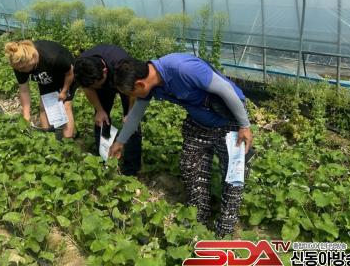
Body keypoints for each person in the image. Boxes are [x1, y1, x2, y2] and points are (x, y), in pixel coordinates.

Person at [109, 54, 254, 237]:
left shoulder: (182, 68)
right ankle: (198, 218)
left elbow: (225, 89)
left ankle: (224, 230)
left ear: (139, 84)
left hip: (229, 116)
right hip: (199, 120)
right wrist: (120, 142)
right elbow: (136, 114)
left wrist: (244, 125)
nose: (132, 97)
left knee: (234, 174)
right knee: (190, 165)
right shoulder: (152, 84)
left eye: (131, 93)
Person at [74, 44, 142, 175]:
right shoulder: (82, 68)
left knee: (132, 122)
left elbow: (133, 91)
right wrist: (99, 110)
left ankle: (131, 169)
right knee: (101, 119)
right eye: (94, 86)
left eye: (98, 85)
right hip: (101, 80)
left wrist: (130, 113)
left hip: (124, 81)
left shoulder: (122, 65)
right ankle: (103, 158)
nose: (97, 88)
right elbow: (88, 88)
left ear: (105, 71)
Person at [5, 40, 76, 138]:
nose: (20, 71)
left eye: (23, 68)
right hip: (45, 76)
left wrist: (64, 91)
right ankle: (47, 138)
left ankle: (67, 140)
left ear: (31, 59)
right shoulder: (19, 64)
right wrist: (26, 115)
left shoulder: (53, 57)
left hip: (65, 76)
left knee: (66, 106)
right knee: (44, 106)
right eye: (18, 69)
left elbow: (70, 73)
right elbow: (24, 90)